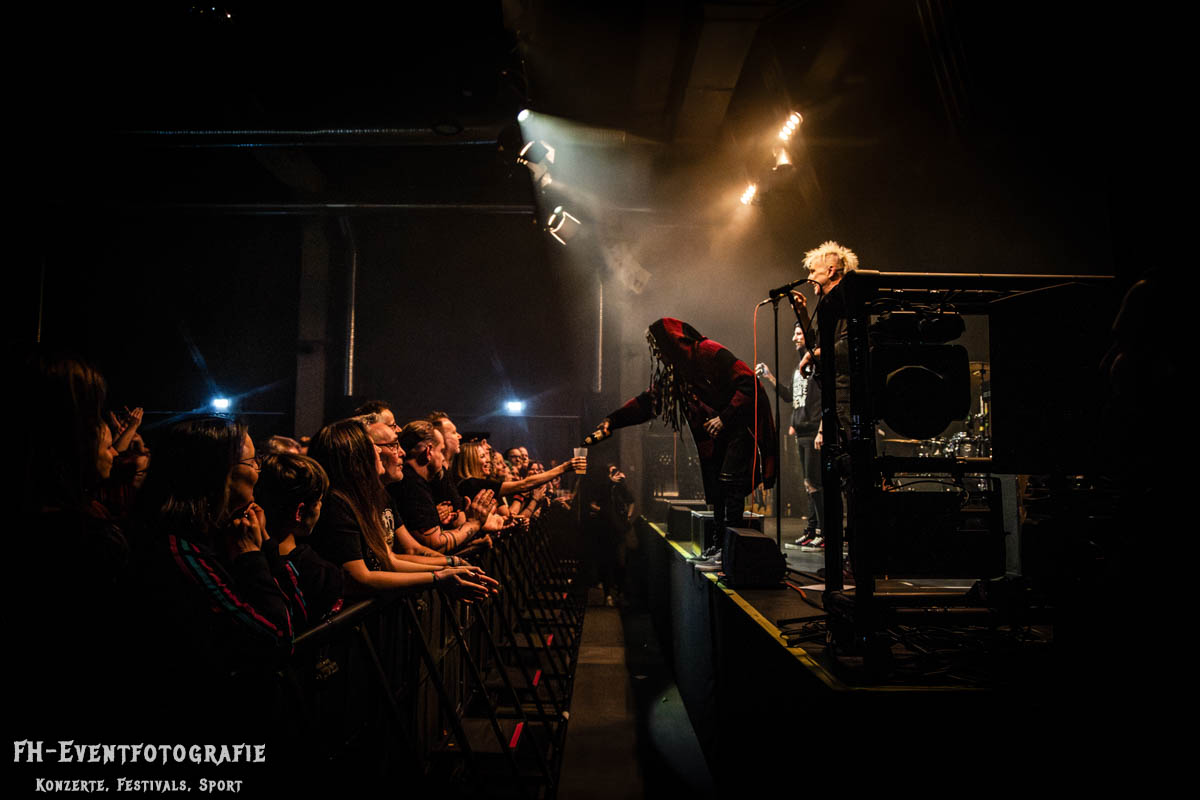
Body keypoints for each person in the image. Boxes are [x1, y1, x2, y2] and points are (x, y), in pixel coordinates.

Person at [587, 318, 777, 569]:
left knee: (730, 485)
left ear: (671, 343)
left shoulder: (708, 351)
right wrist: (613, 421)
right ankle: (720, 547)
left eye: (657, 347)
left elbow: (749, 382)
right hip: (719, 435)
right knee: (718, 488)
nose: (656, 353)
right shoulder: (677, 373)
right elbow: (649, 402)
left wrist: (725, 417)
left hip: (741, 425)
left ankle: (730, 553)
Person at [307, 419, 496, 598]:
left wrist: (452, 565)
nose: (378, 450)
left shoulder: (371, 497)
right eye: (371, 446)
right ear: (354, 458)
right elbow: (359, 577)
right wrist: (437, 577)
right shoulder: (337, 504)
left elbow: (390, 559)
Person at [255, 453, 345, 631]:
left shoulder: (249, 560)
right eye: (319, 501)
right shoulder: (321, 573)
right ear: (300, 512)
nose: (321, 506)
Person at [757, 320, 824, 549]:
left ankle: (824, 532)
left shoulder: (816, 365)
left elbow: (826, 398)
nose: (794, 338)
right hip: (802, 431)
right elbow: (788, 396)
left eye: (798, 334)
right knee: (808, 484)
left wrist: (821, 429)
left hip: (814, 431)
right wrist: (769, 376)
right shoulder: (799, 367)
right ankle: (812, 530)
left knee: (816, 483)